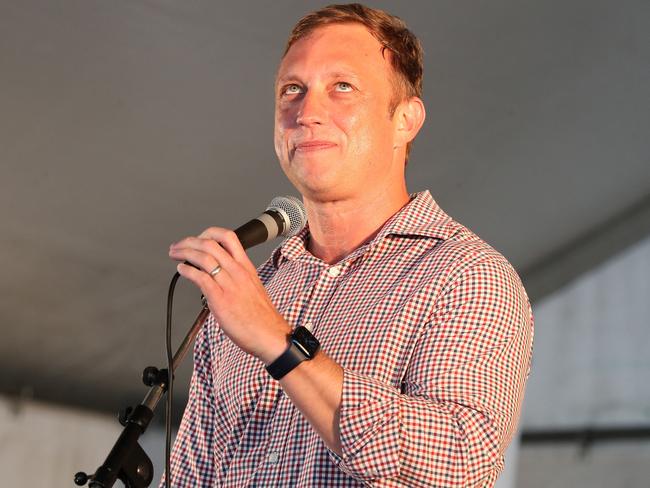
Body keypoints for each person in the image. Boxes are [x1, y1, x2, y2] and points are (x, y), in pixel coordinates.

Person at [167, 4, 533, 487]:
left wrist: (279, 343)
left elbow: (457, 465)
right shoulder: (255, 290)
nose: (307, 112)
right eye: (291, 90)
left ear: (405, 120)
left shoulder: (466, 275)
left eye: (342, 87)